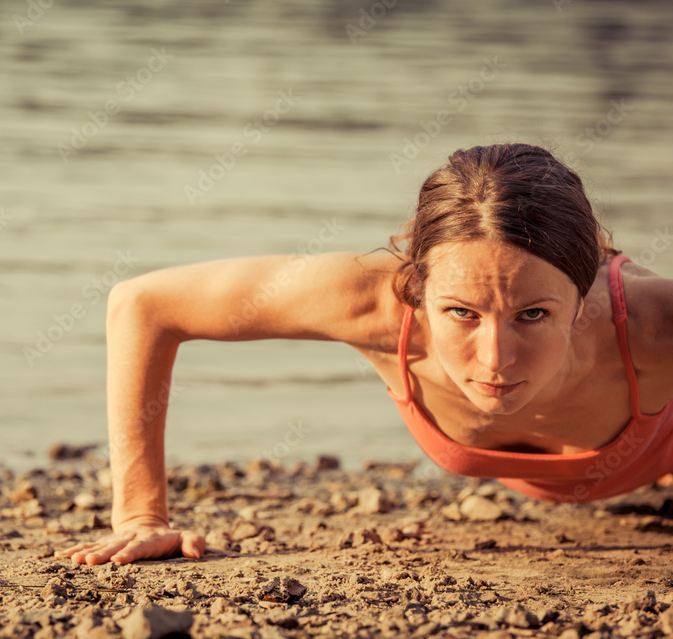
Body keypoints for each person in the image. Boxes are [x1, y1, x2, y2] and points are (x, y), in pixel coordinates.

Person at [54, 143, 673, 566]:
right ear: (418, 288)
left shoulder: (649, 326)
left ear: (585, 289)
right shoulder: (374, 304)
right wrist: (139, 515)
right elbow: (143, 305)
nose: (496, 359)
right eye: (461, 312)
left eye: (533, 315)